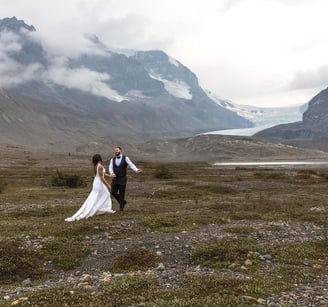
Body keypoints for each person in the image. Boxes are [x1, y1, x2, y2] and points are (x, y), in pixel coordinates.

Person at [65, 154, 115, 222]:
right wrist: (108, 185)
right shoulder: (100, 166)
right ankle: (101, 209)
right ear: (100, 159)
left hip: (97, 182)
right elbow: (101, 177)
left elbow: (101, 174)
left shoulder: (96, 166)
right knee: (103, 195)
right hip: (99, 183)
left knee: (99, 196)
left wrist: (109, 175)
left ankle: (101, 209)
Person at [108, 146, 142, 211]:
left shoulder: (126, 158)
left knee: (122, 193)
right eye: (115, 151)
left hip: (122, 178)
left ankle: (121, 208)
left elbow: (131, 165)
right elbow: (110, 167)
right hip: (115, 179)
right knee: (113, 192)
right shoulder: (112, 159)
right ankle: (123, 202)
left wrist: (136, 170)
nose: (116, 151)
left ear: (120, 151)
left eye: (117, 150)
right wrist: (111, 173)